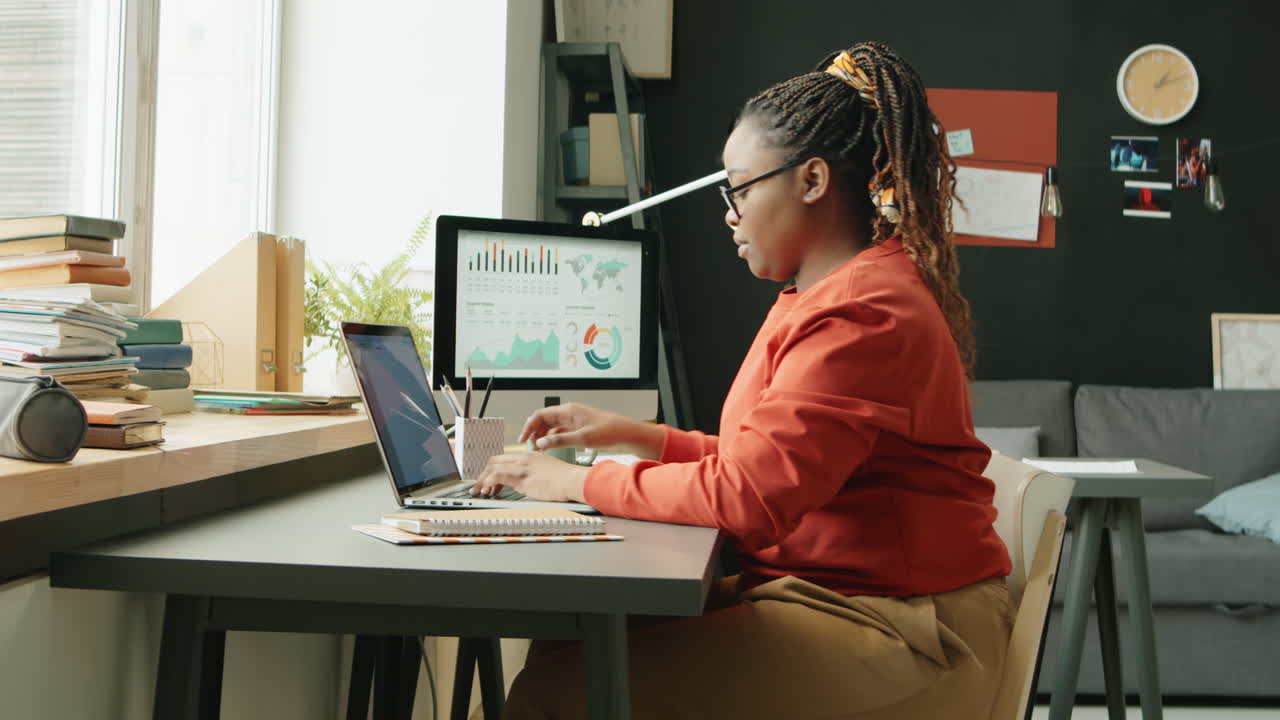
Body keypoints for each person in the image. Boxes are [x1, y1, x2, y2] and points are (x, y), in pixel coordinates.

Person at [475, 40, 1012, 720]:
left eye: (740, 187)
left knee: (559, 694)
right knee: (566, 643)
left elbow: (751, 496)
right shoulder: (820, 296)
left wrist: (573, 481)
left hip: (900, 629)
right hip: (835, 594)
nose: (729, 211)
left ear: (812, 180)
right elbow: (766, 464)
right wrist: (634, 436)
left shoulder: (864, 311)